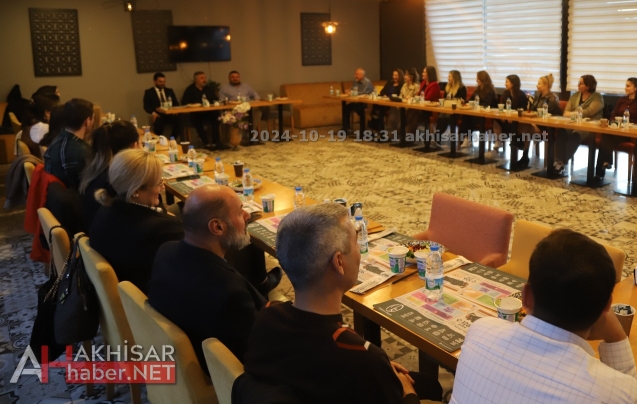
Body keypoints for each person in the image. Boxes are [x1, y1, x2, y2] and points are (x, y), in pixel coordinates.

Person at [241, 203, 442, 404]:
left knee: (428, 384)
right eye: (356, 242)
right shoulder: (363, 360)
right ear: (339, 262)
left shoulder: (266, 318)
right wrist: (408, 392)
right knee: (431, 387)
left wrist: (381, 366)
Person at [451, 229, 637, 404]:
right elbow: (630, 395)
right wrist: (617, 337)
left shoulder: (480, 331)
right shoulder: (617, 392)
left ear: (526, 297)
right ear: (606, 306)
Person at [149, 184, 267, 374]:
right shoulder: (229, 293)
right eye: (240, 212)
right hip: (217, 374)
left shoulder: (165, 251)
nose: (247, 215)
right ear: (217, 226)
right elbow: (256, 356)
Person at [90, 149, 184, 293]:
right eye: (158, 183)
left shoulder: (104, 210)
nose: (162, 187)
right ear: (136, 191)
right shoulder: (164, 230)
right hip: (147, 296)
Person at [79, 120, 141, 228]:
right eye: (141, 144)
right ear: (133, 146)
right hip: (111, 232)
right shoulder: (119, 180)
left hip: (93, 230)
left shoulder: (96, 169)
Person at [596, 77, 637, 178]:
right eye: (626, 85)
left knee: (607, 138)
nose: (625, 88)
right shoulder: (622, 100)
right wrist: (614, 123)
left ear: (635, 88)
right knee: (606, 134)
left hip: (632, 134)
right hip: (619, 130)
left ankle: (601, 169)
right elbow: (613, 115)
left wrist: (633, 124)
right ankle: (605, 164)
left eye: (628, 86)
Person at [554, 75, 604, 173]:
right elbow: (566, 112)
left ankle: (562, 162)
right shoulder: (575, 95)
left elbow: (589, 112)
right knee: (562, 132)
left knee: (575, 135)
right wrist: (576, 113)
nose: (578, 85)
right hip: (572, 123)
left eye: (580, 83)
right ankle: (559, 161)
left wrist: (572, 113)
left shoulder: (597, 97)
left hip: (589, 127)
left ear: (588, 86)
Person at [43, 98, 94, 190]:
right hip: (74, 197)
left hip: (55, 196)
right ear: (88, 121)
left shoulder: (55, 141)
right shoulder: (84, 152)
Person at [219, 70, 267, 144]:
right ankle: (240, 136)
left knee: (258, 111)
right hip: (233, 109)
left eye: (237, 77)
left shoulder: (246, 86)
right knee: (230, 115)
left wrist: (255, 100)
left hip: (248, 108)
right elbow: (221, 101)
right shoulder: (224, 88)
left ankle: (249, 134)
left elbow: (256, 96)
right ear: (229, 78)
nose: (235, 78)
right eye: (233, 77)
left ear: (239, 78)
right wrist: (229, 102)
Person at [181, 71, 222, 149]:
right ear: (196, 80)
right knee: (197, 120)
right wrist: (194, 105)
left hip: (208, 112)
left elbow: (215, 100)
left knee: (216, 116)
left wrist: (215, 103)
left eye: (205, 78)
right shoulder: (190, 89)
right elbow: (184, 102)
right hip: (196, 114)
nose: (204, 80)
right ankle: (205, 142)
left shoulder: (208, 89)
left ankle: (216, 141)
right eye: (202, 78)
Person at [494, 75, 529, 165]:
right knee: (496, 120)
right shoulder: (506, 93)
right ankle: (499, 141)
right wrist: (503, 116)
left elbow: (522, 110)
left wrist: (513, 116)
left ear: (513, 84)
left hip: (517, 121)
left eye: (507, 82)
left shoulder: (521, 95)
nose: (505, 84)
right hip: (507, 119)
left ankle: (515, 153)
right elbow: (503, 107)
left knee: (515, 127)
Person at [460, 71, 497, 145]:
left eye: (478, 78)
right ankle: (467, 138)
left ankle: (469, 139)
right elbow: (471, 100)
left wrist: (477, 105)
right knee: (465, 116)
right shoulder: (477, 89)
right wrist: (464, 101)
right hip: (477, 112)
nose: (476, 80)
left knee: (471, 119)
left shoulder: (490, 90)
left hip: (486, 114)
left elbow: (488, 104)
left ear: (483, 79)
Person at [143, 72, 182, 138]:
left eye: (164, 82)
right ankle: (159, 138)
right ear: (155, 82)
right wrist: (153, 113)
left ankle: (172, 139)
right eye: (160, 82)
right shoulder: (149, 92)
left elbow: (176, 103)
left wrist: (175, 111)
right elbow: (146, 106)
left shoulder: (169, 91)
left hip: (169, 114)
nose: (162, 83)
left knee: (180, 119)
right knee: (158, 122)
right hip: (158, 114)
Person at [406, 66, 440, 137]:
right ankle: (408, 136)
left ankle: (408, 135)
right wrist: (412, 98)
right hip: (421, 108)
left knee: (414, 113)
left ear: (429, 74)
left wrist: (417, 98)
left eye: (424, 72)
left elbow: (427, 98)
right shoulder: (423, 83)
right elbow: (418, 95)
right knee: (411, 111)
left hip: (429, 110)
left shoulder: (434, 85)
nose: (422, 74)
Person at [436, 70, 468, 142]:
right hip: (446, 109)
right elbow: (445, 99)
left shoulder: (462, 88)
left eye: (450, 76)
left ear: (455, 78)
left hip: (457, 112)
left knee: (448, 117)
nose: (448, 78)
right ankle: (437, 138)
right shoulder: (447, 87)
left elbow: (462, 101)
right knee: (440, 117)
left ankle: (436, 137)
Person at [342, 68, 374, 132]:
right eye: (355, 74)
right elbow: (353, 90)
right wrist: (349, 91)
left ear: (362, 75)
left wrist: (353, 93)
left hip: (366, 104)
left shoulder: (367, 82)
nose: (355, 76)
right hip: (357, 102)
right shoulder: (355, 81)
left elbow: (364, 92)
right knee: (346, 108)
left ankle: (363, 130)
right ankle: (346, 128)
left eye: (357, 74)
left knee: (362, 111)